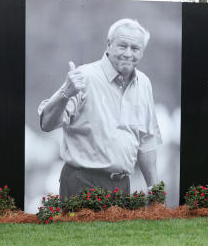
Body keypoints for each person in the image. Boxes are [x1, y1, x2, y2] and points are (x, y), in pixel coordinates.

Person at [38, 18, 161, 199]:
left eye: (135, 48)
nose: (128, 53)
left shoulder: (144, 83)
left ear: (142, 52)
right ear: (109, 45)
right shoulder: (83, 77)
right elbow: (47, 124)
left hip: (122, 185)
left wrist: (153, 187)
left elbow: (146, 140)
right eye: (122, 46)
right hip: (82, 182)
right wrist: (65, 92)